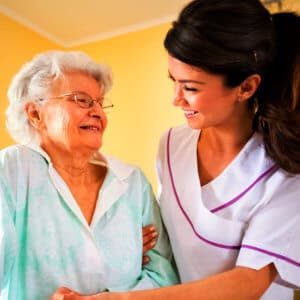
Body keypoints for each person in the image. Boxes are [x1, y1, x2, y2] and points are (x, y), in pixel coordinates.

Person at [51, 0, 300, 299]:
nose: (176, 99)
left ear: (246, 88)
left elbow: (246, 283)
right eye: (174, 82)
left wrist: (117, 299)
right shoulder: (170, 145)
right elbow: (167, 235)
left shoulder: (287, 172)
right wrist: (132, 242)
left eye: (191, 87)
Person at [0, 50, 178, 300]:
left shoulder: (132, 181)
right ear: (36, 115)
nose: (97, 112)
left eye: (99, 102)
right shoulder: (12, 169)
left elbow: (164, 276)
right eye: (81, 100)